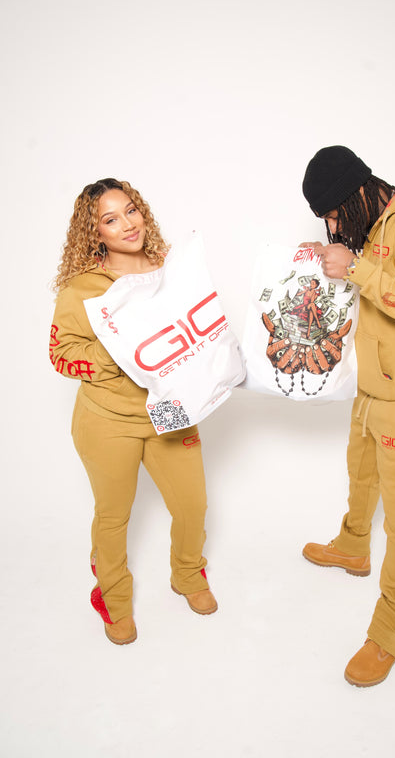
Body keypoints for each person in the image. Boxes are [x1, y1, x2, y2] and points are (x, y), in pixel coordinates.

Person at [300, 146, 395, 687]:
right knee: (361, 471)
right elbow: (374, 281)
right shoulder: (376, 223)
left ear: (358, 195)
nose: (334, 226)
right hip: (374, 382)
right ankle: (353, 547)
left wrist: (357, 268)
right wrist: (327, 260)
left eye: (334, 215)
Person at [49, 178, 217, 646]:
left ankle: (188, 574)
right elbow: (61, 355)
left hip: (170, 412)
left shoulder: (170, 268)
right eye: (110, 219)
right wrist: (118, 350)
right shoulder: (83, 287)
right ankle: (114, 599)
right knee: (113, 516)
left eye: (131, 211)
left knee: (193, 504)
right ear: (95, 232)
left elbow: (197, 331)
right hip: (107, 421)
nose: (127, 224)